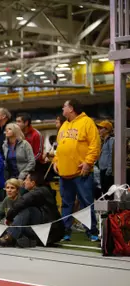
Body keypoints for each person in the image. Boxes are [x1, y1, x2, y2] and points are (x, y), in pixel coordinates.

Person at [53, 100, 101, 242]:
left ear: (71, 108)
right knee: (66, 204)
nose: (62, 108)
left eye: (65, 106)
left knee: (86, 203)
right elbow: (59, 146)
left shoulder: (87, 122)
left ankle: (91, 232)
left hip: (81, 172)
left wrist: (88, 163)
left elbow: (95, 145)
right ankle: (65, 232)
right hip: (64, 173)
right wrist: (56, 161)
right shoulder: (64, 125)